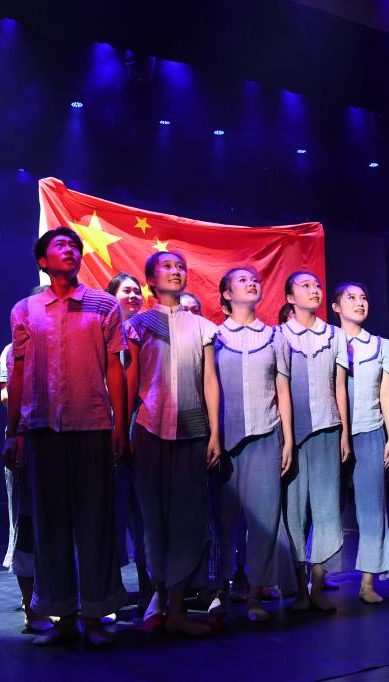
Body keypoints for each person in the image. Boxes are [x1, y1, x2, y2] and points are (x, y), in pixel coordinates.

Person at [2, 227, 129, 647]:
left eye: (75, 245)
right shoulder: (25, 310)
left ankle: (95, 615)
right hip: (42, 428)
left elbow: (115, 368)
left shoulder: (103, 305)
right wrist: (14, 433)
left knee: (95, 524)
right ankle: (64, 616)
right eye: (60, 245)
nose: (70, 250)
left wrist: (118, 425)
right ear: (43, 261)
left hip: (91, 425)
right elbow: (19, 372)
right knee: (50, 527)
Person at [125, 251, 220, 637]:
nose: (175, 271)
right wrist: (123, 430)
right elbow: (131, 380)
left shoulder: (202, 326)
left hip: (192, 430)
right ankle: (157, 599)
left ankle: (178, 606)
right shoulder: (138, 324)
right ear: (150, 279)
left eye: (180, 266)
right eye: (166, 266)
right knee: (153, 518)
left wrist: (215, 433)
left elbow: (210, 381)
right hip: (149, 428)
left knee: (186, 519)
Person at [211, 267, 295, 621]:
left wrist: (288, 440)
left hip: (266, 432)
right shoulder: (214, 336)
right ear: (227, 294)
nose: (251, 283)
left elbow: (282, 390)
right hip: (225, 440)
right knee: (223, 521)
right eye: (242, 280)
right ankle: (220, 588)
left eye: (254, 279)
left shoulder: (275, 337)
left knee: (263, 520)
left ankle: (256, 595)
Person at [279, 271, 351, 612]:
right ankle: (298, 589)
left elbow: (339, 387)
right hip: (292, 435)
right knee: (293, 512)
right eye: (305, 286)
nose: (314, 290)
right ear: (290, 298)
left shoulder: (334, 335)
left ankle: (318, 585)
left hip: (327, 427)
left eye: (317, 285)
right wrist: (285, 439)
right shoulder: (279, 336)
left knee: (326, 511)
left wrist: (344, 433)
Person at [332, 282, 389, 603]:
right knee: (327, 507)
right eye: (351, 298)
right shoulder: (328, 342)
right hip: (333, 435)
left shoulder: (382, 345)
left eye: (363, 298)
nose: (359, 303)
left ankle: (368, 583)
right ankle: (316, 579)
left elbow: (386, 392)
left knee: (372, 509)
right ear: (336, 306)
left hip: (370, 431)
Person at [0, 287, 50, 634]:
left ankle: (61, 600)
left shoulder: (69, 345)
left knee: (63, 527)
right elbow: (7, 395)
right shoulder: (13, 349)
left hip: (63, 440)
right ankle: (32, 607)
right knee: (28, 525)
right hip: (27, 440)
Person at [104, 273, 153, 615]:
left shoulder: (147, 334)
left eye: (137, 291)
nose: (133, 296)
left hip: (143, 430)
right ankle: (108, 591)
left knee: (145, 517)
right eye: (126, 291)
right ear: (112, 297)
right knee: (111, 515)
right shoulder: (101, 333)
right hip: (110, 431)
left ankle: (150, 589)